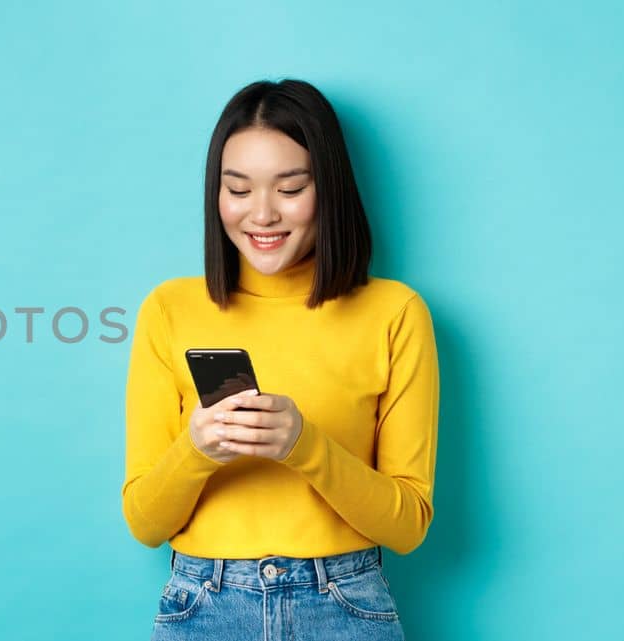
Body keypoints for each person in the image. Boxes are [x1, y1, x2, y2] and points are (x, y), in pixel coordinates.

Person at [121, 78, 439, 641]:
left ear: (329, 190)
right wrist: (197, 450)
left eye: (290, 188)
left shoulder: (395, 312)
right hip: (204, 603)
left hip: (345, 603)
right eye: (237, 189)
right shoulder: (170, 309)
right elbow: (145, 523)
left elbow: (408, 525)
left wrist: (305, 447)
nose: (261, 215)